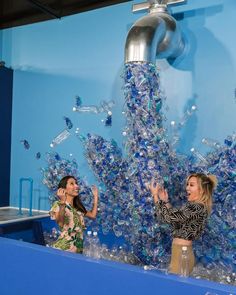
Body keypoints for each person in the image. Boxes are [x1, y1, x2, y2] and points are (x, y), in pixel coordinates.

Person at [149, 172, 217, 275]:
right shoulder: (195, 208)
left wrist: (155, 196)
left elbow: (167, 217)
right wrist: (165, 201)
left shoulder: (196, 208)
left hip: (182, 254)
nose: (187, 188)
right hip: (180, 252)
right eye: (187, 184)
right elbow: (175, 220)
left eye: (192, 185)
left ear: (201, 190)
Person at [49, 175, 98, 254]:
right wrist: (62, 202)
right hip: (64, 250)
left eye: (76, 183)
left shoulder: (77, 208)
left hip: (77, 250)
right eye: (72, 184)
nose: (77, 186)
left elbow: (93, 215)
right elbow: (61, 223)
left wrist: (95, 196)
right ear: (64, 189)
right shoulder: (58, 204)